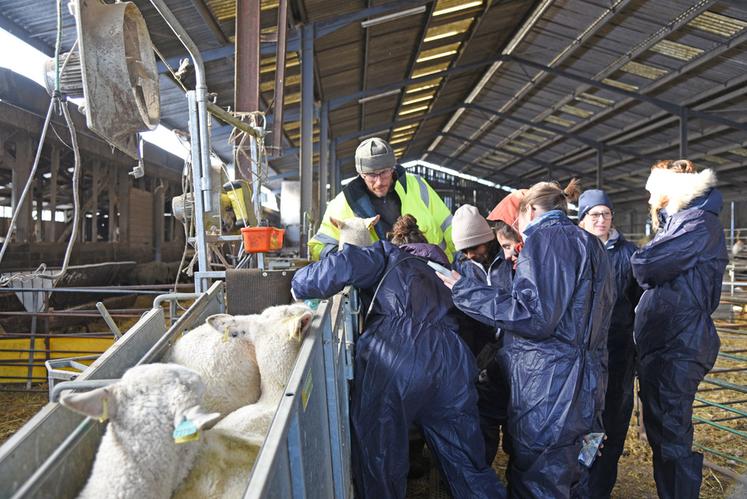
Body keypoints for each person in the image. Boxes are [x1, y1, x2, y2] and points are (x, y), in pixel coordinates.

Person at [292, 216, 506, 499]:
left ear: (400, 244)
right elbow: (480, 326)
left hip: (395, 354)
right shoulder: (451, 272)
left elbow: (344, 263)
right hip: (451, 359)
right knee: (466, 462)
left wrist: (299, 284)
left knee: (380, 455)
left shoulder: (387, 254)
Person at [438, 180, 615, 498]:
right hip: (590, 383)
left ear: (530, 210)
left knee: (539, 477)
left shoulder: (543, 240)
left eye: (517, 221)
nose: (517, 231)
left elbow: (535, 317)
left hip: (549, 389)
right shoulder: (593, 245)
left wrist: (466, 291)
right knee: (577, 469)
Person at [631, 160, 728, 499]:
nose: (649, 200)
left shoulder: (698, 224)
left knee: (672, 436)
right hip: (666, 341)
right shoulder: (681, 222)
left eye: (653, 191)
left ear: (670, 191)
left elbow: (646, 265)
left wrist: (642, 259)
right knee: (661, 435)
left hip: (681, 342)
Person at [577, 189, 642, 498]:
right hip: (581, 355)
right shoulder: (575, 251)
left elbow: (641, 304)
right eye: (594, 214)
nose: (601, 219)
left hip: (617, 355)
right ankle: (581, 484)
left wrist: (636, 350)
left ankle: (599, 490)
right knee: (584, 424)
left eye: (605, 214)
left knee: (613, 424)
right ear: (582, 219)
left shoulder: (629, 254)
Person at [308, 137, 454, 260]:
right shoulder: (345, 202)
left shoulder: (417, 185)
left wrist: (461, 258)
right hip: (378, 287)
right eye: (372, 175)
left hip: (431, 273)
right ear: (361, 174)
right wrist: (347, 257)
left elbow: (450, 227)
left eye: (384, 172)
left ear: (393, 168)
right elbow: (317, 247)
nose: (379, 182)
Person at [450, 205, 513, 466]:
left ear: (487, 239)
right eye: (464, 250)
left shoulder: (509, 260)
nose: (470, 254)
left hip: (511, 350)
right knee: (482, 423)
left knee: (515, 424)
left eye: (474, 247)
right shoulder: (462, 266)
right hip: (478, 352)